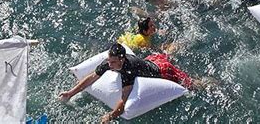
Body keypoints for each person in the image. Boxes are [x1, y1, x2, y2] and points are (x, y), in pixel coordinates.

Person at [58, 42, 193, 121]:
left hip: (163, 71)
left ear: (122, 60)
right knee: (166, 54)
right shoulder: (110, 62)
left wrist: (110, 116)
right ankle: (177, 44)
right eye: (109, 61)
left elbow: (123, 100)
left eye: (113, 62)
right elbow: (92, 77)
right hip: (151, 60)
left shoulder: (128, 70)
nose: (109, 65)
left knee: (192, 84)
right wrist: (70, 93)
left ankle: (208, 83)